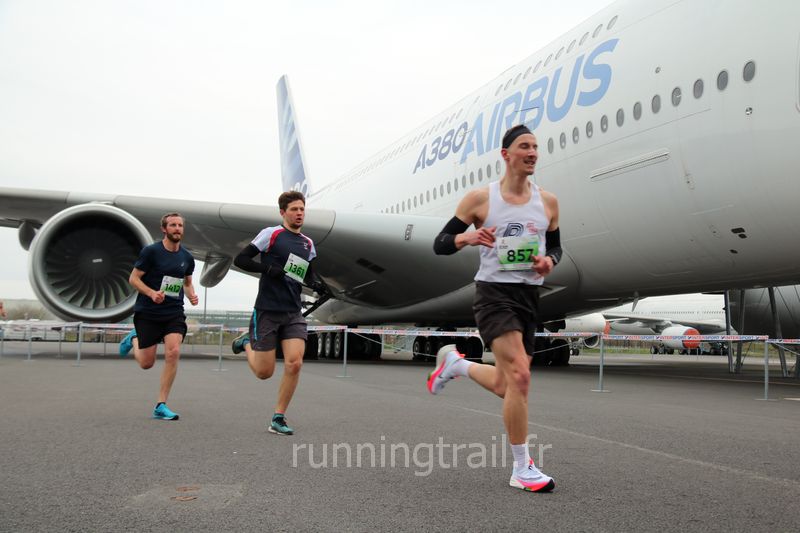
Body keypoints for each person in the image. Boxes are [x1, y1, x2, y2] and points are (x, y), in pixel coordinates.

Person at [429, 124, 562, 492]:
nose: (532, 152)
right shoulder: (480, 200)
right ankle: (522, 468)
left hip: (528, 297)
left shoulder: (548, 202)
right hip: (493, 294)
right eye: (524, 146)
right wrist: (467, 236)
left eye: (535, 147)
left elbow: (556, 247)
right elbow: (440, 243)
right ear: (506, 155)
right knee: (521, 376)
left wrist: (548, 261)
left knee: (507, 385)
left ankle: (457, 365)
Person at [231, 190, 322, 436]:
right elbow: (241, 259)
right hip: (267, 310)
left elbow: (307, 273)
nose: (299, 213)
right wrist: (267, 269)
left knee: (295, 363)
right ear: (283, 212)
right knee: (264, 372)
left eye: (302, 209)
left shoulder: (308, 243)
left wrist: (316, 284)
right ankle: (246, 343)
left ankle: (278, 417)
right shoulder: (271, 234)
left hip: (293, 311)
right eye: (294, 209)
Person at [119, 212, 199, 420]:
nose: (177, 229)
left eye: (180, 225)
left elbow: (187, 282)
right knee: (146, 363)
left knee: (173, 351)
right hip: (148, 312)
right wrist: (151, 293)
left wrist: (191, 295)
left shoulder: (187, 257)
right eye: (172, 225)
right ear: (164, 229)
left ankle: (161, 404)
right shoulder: (151, 252)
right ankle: (134, 338)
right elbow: (133, 278)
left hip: (173, 312)